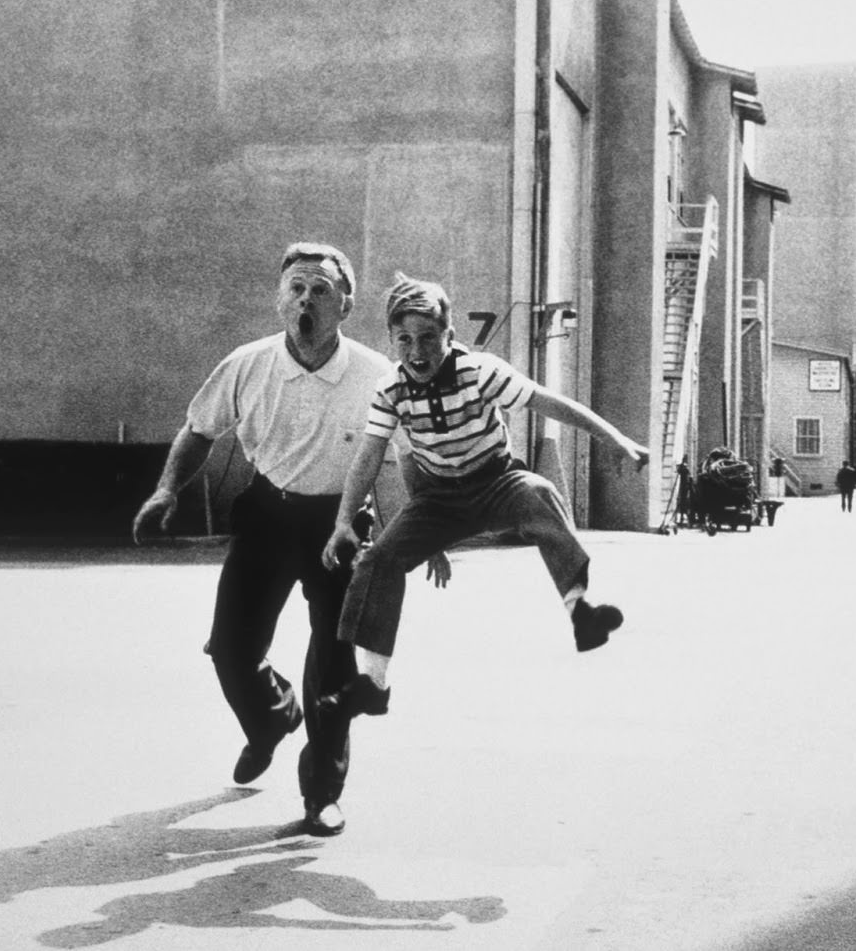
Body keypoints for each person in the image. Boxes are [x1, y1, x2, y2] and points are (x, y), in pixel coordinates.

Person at [131, 242, 443, 837]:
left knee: (333, 668)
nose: (306, 299)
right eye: (296, 288)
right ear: (280, 300)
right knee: (230, 649)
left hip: (342, 527)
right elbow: (198, 432)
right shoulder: (246, 365)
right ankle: (272, 719)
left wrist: (418, 535)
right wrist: (166, 490)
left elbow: (402, 463)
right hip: (267, 516)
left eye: (321, 290)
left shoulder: (378, 376)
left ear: (344, 305)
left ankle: (321, 795)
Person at [317, 273, 652, 717]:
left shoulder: (479, 370)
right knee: (378, 560)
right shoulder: (390, 389)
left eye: (429, 339)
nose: (417, 352)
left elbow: (551, 403)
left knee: (541, 492)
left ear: (449, 336)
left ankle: (580, 614)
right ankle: (372, 685)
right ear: (393, 341)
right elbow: (370, 455)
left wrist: (618, 441)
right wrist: (344, 521)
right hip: (438, 500)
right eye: (405, 340)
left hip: (496, 482)